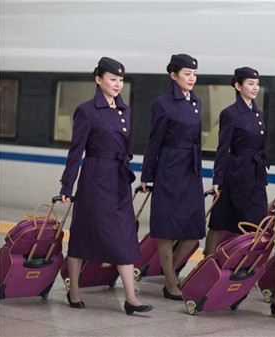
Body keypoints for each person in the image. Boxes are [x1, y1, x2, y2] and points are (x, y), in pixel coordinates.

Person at [59, 57, 152, 315]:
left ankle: (131, 298)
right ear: (98, 80)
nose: (118, 84)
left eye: (121, 79)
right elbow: (75, 151)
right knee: (82, 234)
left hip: (119, 179)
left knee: (124, 235)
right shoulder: (86, 111)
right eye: (113, 79)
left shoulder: (125, 110)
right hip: (95, 178)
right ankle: (74, 291)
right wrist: (67, 186)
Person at [139, 53, 205, 301]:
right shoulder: (162, 103)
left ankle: (168, 272)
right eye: (187, 74)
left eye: (195, 74)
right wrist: (147, 175)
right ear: (174, 75)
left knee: (193, 230)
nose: (192, 79)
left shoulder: (196, 102)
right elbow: (154, 141)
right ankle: (170, 282)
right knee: (166, 230)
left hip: (190, 170)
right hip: (168, 168)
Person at [203, 67, 269, 256]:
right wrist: (217, 179)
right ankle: (207, 261)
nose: (255, 87)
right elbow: (222, 149)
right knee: (220, 221)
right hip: (235, 175)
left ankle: (246, 266)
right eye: (250, 84)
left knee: (257, 223)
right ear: (238, 86)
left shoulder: (258, 114)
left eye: (257, 84)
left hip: (255, 175)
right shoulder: (230, 113)